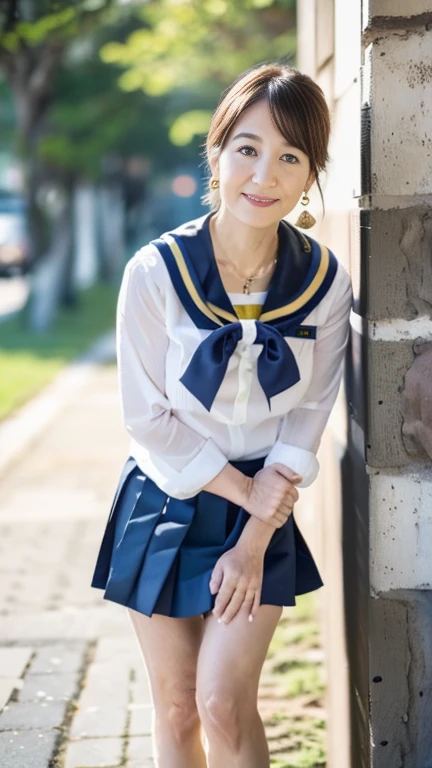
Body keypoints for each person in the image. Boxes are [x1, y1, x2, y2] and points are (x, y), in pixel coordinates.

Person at [91, 61, 353, 768]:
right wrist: (246, 493)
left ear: (310, 176)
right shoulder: (154, 273)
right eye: (247, 148)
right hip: (169, 496)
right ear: (217, 152)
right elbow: (146, 417)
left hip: (261, 510)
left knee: (223, 703)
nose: (263, 175)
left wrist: (256, 529)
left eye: (289, 157)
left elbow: (312, 411)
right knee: (177, 706)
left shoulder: (325, 284)